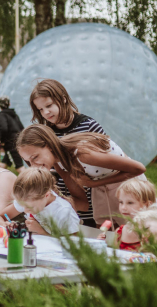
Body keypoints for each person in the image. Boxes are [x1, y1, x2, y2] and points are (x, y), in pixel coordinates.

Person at [16, 125, 147, 227]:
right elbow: (82, 203)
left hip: (128, 184)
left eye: (35, 157)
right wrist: (51, 201)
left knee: (135, 230)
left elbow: (139, 168)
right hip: (102, 189)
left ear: (49, 146)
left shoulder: (82, 154)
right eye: (28, 161)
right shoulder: (58, 163)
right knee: (106, 232)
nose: (33, 165)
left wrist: (92, 184)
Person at [30, 79, 107, 227]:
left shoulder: (89, 126)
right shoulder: (47, 133)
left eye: (49, 105)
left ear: (63, 99)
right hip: (61, 208)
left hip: (93, 206)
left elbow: (106, 162)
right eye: (40, 109)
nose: (45, 112)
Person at [0, 168, 80, 236]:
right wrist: (5, 225)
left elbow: (74, 246)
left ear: (46, 195)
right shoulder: (28, 200)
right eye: (21, 205)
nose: (25, 210)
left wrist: (42, 232)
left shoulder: (63, 211)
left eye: (30, 207)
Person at [97, 178, 157, 251]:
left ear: (147, 204)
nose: (123, 207)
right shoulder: (119, 232)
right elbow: (117, 254)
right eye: (121, 202)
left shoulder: (154, 232)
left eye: (130, 203)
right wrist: (102, 245)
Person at [0, 96, 24, 169]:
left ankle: (31, 177)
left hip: (10, 143)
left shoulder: (1, 115)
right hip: (17, 141)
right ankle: (0, 176)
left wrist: (2, 140)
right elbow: (22, 128)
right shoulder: (14, 114)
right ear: (9, 104)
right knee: (2, 165)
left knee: (20, 167)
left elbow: (4, 128)